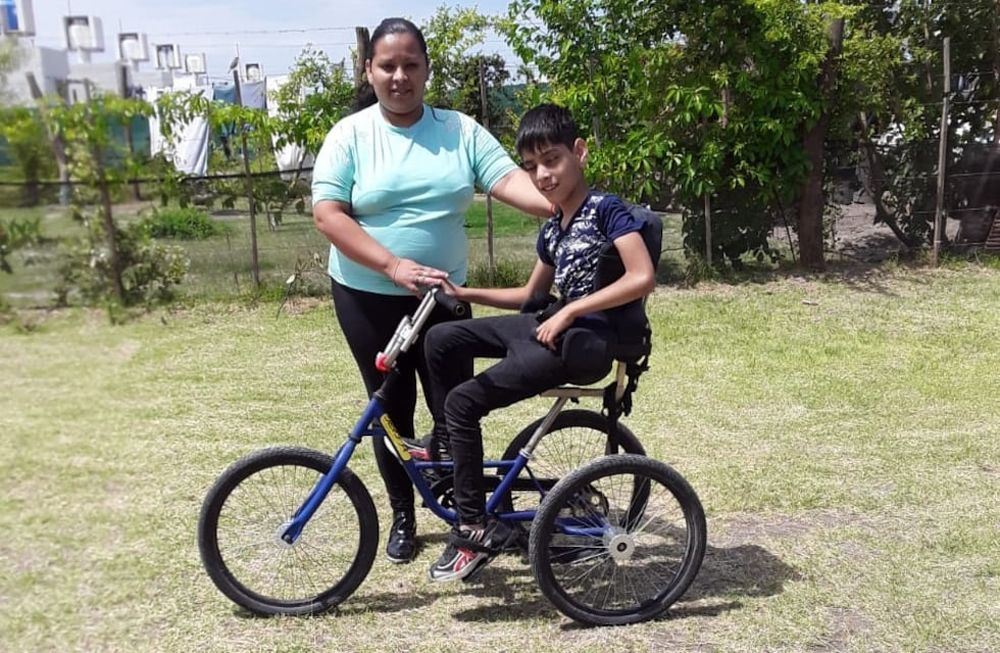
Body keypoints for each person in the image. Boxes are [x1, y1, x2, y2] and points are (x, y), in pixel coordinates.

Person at [311, 18, 551, 564]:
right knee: (391, 408)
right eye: (387, 66)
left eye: (410, 65)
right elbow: (328, 215)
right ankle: (404, 515)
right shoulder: (350, 135)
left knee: (454, 406)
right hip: (368, 294)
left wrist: (559, 201)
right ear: (369, 70)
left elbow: (508, 179)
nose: (399, 76)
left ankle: (465, 511)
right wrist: (393, 265)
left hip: (443, 297)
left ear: (426, 70)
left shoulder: (458, 131)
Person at [423, 103, 657, 582]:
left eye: (551, 160)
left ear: (579, 152)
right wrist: (464, 293)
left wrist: (572, 307)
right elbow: (530, 296)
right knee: (441, 339)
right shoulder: (554, 227)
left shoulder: (606, 211)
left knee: (465, 402)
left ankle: (473, 529)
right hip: (550, 324)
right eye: (531, 167)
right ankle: (448, 447)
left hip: (586, 341)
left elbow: (642, 277)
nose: (542, 175)